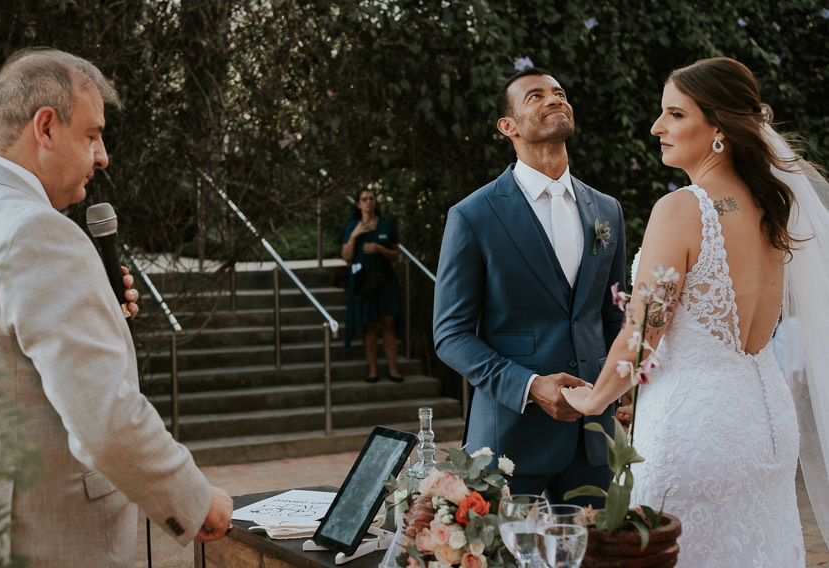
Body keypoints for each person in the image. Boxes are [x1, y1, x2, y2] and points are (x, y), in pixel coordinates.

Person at [0, 48, 233, 567]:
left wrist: (95, 306)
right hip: (44, 540)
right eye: (91, 135)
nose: (103, 155)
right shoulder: (38, 233)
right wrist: (195, 502)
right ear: (45, 128)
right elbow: (103, 418)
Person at [563, 57, 829, 566]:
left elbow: (643, 334)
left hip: (696, 429)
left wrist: (594, 399)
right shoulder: (773, 205)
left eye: (674, 114)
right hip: (767, 421)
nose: (656, 127)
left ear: (719, 129)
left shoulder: (682, 208)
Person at [433, 67, 627, 503]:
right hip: (509, 440)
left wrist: (618, 385)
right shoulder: (474, 215)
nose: (555, 99)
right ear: (508, 126)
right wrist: (528, 386)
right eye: (536, 96)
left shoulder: (607, 211)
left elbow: (614, 316)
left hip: (594, 438)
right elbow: (450, 335)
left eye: (559, 92)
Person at [341, 188, 404, 382]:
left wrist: (380, 249)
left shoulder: (387, 224)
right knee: (369, 326)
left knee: (388, 324)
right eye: (364, 199)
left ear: (375, 202)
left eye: (371, 198)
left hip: (385, 280)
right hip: (363, 283)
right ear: (358, 204)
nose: (368, 202)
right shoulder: (353, 226)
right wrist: (354, 236)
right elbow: (346, 257)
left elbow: (396, 254)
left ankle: (393, 370)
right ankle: (373, 371)